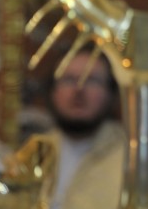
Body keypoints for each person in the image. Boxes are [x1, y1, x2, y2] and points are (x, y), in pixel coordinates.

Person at [44, 43, 126, 209]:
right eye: (69, 79)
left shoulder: (130, 160)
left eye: (91, 80)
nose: (79, 89)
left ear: (111, 93)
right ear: (53, 91)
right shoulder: (36, 152)